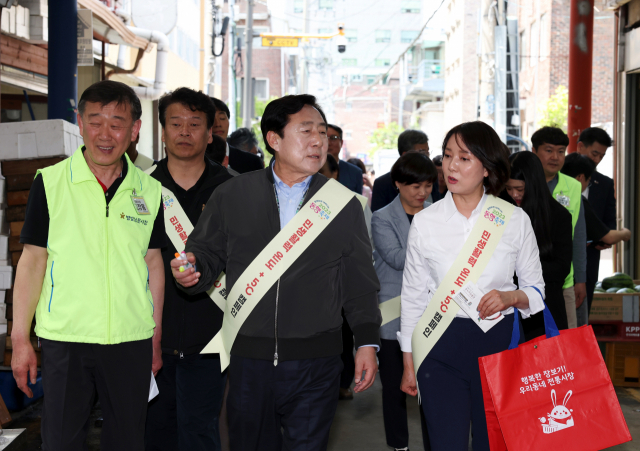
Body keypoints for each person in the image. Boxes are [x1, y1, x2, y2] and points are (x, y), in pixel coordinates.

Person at [171, 94, 381, 450]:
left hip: (318, 361)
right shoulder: (233, 194)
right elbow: (205, 254)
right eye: (306, 131)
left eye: (322, 133)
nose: (318, 141)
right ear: (274, 139)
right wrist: (192, 271)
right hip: (249, 361)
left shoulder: (342, 204)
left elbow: (359, 282)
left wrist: (367, 341)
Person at [12, 80, 167, 450]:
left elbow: (154, 265)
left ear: (134, 130)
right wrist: (19, 338)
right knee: (61, 440)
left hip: (131, 339)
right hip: (66, 338)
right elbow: (32, 262)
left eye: (117, 122)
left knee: (128, 440)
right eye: (95, 121)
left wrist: (155, 337)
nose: (105, 133)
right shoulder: (50, 183)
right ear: (79, 123)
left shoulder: (150, 190)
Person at [400, 122, 545, 451]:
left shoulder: (513, 219)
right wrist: (409, 363)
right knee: (444, 443)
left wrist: (511, 297)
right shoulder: (425, 222)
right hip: (438, 347)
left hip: (498, 345)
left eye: (464, 158)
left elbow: (536, 290)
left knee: (493, 443)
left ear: (487, 167)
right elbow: (412, 299)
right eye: (448, 155)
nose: (451, 166)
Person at [145, 88, 233, 451]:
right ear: (162, 131)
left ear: (210, 132)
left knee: (202, 434)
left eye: (195, 124)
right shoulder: (139, 189)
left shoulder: (233, 190)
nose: (184, 132)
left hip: (213, 339)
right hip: (150, 339)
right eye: (175, 123)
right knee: (154, 434)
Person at [372, 152, 436, 451]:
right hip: (394, 311)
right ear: (398, 184)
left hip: (434, 311)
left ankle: (436, 442)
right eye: (415, 186)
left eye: (428, 185)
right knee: (395, 388)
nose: (423, 193)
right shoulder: (382, 217)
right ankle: (399, 446)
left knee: (432, 387)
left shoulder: (442, 211)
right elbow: (398, 259)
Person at [503, 151, 571, 340]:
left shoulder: (559, 216)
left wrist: (522, 270)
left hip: (544, 308)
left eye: (520, 189)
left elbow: (562, 268)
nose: (514, 194)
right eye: (508, 189)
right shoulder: (500, 213)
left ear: (534, 186)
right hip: (507, 309)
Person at [532, 126, 587, 329]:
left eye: (561, 151)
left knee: (565, 343)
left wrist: (580, 279)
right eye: (548, 150)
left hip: (564, 281)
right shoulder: (523, 184)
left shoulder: (573, 186)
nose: (555, 157)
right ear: (534, 151)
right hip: (527, 280)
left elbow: (579, 236)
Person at [576, 128, 617, 316]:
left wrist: (604, 238)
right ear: (580, 147)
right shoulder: (558, 178)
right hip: (559, 265)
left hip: (590, 261)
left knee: (582, 317)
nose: (597, 160)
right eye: (594, 154)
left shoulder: (605, 183)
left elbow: (609, 223)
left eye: (602, 156)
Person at [371, 130, 437, 212]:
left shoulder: (432, 179)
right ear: (405, 154)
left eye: (427, 152)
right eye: (422, 152)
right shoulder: (382, 184)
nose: (426, 156)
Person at [209, 97, 264, 173]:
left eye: (222, 118)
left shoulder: (252, 162)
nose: (218, 124)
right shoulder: (195, 159)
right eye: (212, 119)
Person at [327, 124, 363, 194]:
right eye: (324, 138)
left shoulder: (355, 172)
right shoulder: (311, 170)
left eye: (333, 138)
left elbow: (358, 203)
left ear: (341, 142)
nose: (328, 143)